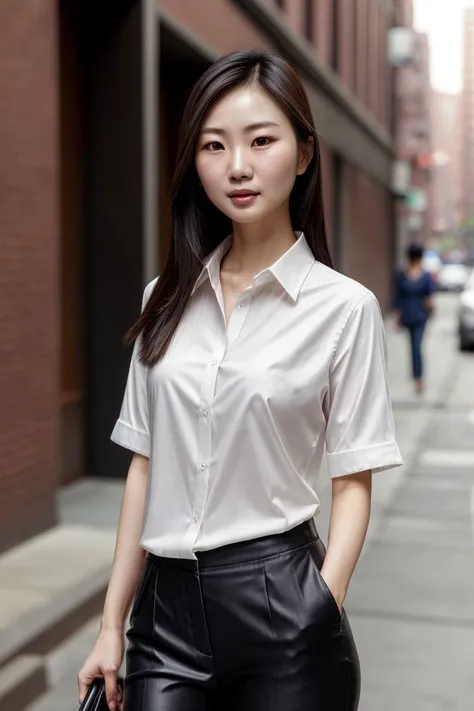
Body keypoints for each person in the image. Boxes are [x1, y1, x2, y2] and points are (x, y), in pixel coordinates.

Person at [78, 50, 403, 711]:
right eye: (214, 145)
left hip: (282, 601)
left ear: (305, 153)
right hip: (163, 618)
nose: (237, 166)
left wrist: (322, 603)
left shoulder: (344, 308)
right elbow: (144, 468)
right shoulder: (163, 299)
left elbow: (353, 478)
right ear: (194, 161)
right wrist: (112, 623)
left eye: (261, 141)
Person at [393, 243, 436, 394]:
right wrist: (397, 317)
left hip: (420, 317)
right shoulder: (401, 275)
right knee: (412, 347)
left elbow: (429, 296)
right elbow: (397, 297)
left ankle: (418, 379)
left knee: (417, 347)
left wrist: (431, 308)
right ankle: (416, 376)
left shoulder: (425, 277)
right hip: (407, 316)